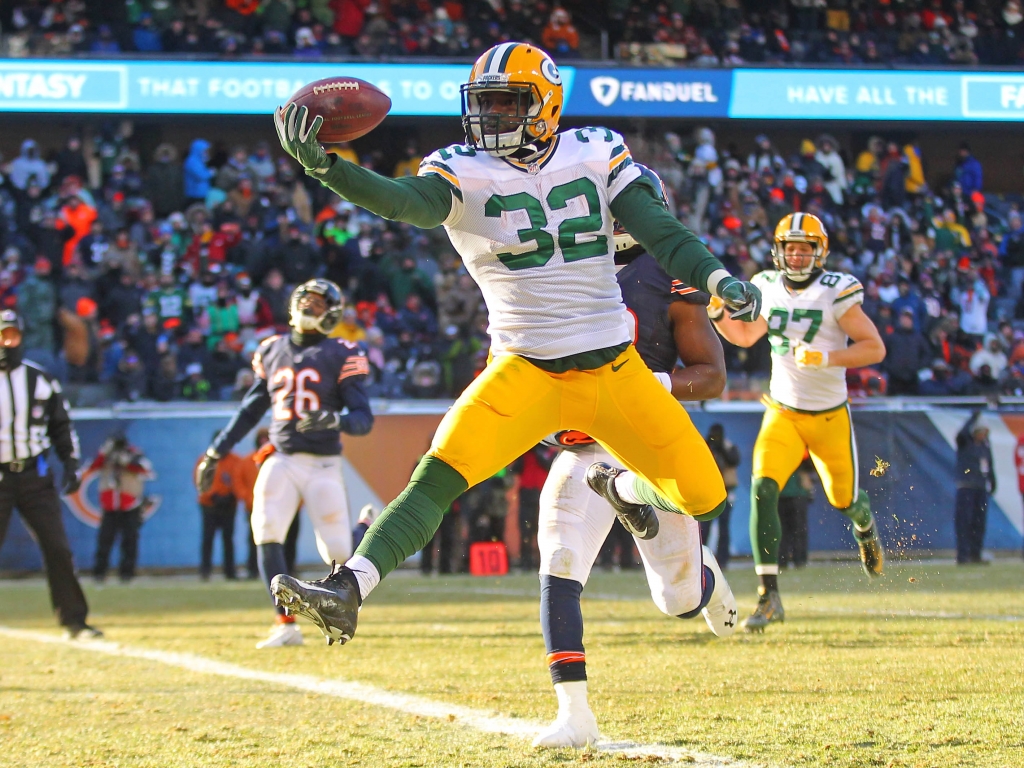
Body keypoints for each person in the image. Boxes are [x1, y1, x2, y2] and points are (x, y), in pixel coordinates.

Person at [267, 42, 761, 647]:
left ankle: (624, 489)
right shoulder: (459, 167)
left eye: (505, 102)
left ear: (546, 103)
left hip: (614, 372)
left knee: (705, 496)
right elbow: (402, 203)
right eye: (483, 103)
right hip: (524, 370)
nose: (489, 117)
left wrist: (718, 279)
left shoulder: (597, 150)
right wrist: (329, 168)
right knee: (438, 476)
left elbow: (661, 230)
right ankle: (347, 589)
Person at [533, 167, 737, 747]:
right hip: (583, 450)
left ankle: (696, 567)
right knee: (560, 558)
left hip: (649, 440)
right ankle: (574, 714)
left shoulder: (669, 271)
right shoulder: (554, 265)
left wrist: (650, 385)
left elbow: (713, 375)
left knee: (676, 599)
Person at [709, 212, 887, 632]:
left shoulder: (835, 290)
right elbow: (747, 336)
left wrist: (828, 357)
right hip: (783, 412)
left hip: (828, 417)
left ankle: (864, 525)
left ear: (819, 252)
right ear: (779, 249)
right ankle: (768, 596)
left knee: (844, 500)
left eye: (805, 247)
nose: (797, 254)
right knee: (761, 488)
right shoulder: (767, 285)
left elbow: (874, 347)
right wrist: (719, 317)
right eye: (791, 247)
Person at [195, 278, 375, 649]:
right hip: (282, 457)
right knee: (266, 528)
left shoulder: (342, 352)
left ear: (333, 314)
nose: (311, 307)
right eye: (306, 300)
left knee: (338, 553)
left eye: (319, 304)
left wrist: (334, 420)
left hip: (323, 463)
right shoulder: (272, 349)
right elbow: (250, 410)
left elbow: (363, 419)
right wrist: (216, 451)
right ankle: (285, 624)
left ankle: (363, 529)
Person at [0, 310, 99, 638]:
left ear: (22, 337)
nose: (7, 341)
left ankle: (74, 619)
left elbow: (62, 425)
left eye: (12, 335)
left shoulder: (38, 379)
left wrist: (71, 463)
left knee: (57, 547)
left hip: (33, 476)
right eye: (2, 335)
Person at [90, 430, 152, 582]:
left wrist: (127, 461)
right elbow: (93, 467)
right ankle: (99, 573)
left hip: (129, 505)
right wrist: (104, 453)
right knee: (104, 541)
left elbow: (145, 468)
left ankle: (127, 574)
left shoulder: (135, 453)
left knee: (129, 541)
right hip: (110, 506)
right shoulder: (105, 456)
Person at [195, 434, 241, 581]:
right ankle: (205, 571)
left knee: (228, 539)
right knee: (208, 538)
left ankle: (230, 572)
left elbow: (240, 480)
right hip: (209, 505)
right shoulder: (205, 459)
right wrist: (212, 495)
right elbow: (199, 480)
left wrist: (232, 495)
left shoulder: (236, 461)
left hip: (229, 505)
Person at [954, 410, 995, 565]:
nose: (982, 435)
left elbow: (989, 464)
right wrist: (973, 417)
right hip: (966, 486)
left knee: (979, 522)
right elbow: (962, 434)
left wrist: (992, 480)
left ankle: (975, 554)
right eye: (980, 432)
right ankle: (963, 556)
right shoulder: (965, 443)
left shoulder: (985, 446)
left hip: (981, 487)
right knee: (965, 521)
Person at [699, 423, 741, 569]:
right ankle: (702, 558)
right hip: (709, 491)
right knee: (704, 528)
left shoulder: (728, 446)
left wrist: (721, 448)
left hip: (726, 491)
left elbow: (734, 460)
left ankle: (723, 560)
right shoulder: (704, 445)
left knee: (724, 528)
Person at [511, 443, 555, 571]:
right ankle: (526, 562)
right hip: (526, 494)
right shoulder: (525, 454)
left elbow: (547, 464)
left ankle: (542, 562)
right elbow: (516, 469)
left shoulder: (548, 452)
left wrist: (538, 452)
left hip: (543, 493)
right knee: (525, 530)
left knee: (543, 530)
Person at [778, 457, 814, 569]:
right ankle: (798, 560)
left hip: (786, 491)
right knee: (796, 529)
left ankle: (786, 560)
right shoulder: (799, 445)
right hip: (794, 492)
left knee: (785, 530)